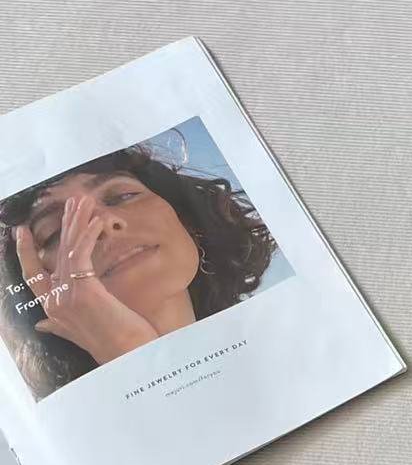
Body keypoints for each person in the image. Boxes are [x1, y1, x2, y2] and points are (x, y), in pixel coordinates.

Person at [0, 141, 277, 399]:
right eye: (56, 231)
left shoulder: (276, 343)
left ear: (188, 223)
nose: (104, 222)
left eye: (122, 196)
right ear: (40, 286)